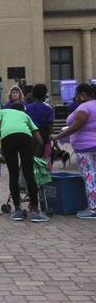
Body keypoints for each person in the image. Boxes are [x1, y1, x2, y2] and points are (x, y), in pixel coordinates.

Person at [0, 103, 47, 222]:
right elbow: (38, 138)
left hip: (7, 138)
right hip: (25, 137)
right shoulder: (25, 115)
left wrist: (1, 131)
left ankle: (17, 210)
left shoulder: (3, 111)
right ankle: (35, 210)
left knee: (13, 174)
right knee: (29, 174)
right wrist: (38, 150)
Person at [50, 83, 96, 219]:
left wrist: (57, 137)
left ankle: (93, 208)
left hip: (85, 147)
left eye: (77, 94)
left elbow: (74, 127)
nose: (75, 97)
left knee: (90, 177)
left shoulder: (84, 108)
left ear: (82, 95)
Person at [25, 84, 54, 162]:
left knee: (31, 158)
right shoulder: (48, 109)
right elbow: (50, 125)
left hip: (31, 135)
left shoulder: (28, 108)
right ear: (45, 95)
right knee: (45, 159)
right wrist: (52, 134)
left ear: (33, 95)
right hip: (44, 136)